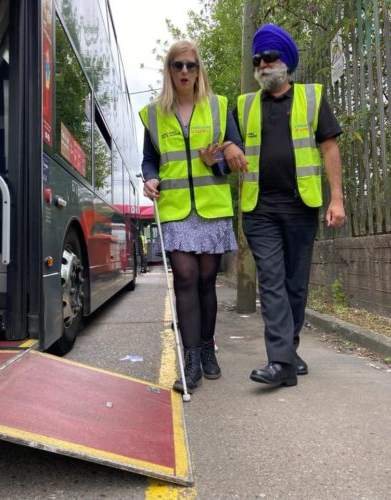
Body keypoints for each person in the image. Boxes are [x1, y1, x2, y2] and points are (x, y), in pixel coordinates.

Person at [236, 24, 345, 388]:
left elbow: (330, 147)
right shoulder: (245, 104)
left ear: (285, 61)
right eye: (258, 59)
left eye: (269, 57)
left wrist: (337, 199)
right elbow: (227, 147)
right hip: (260, 209)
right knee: (271, 283)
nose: (263, 64)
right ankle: (280, 360)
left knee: (295, 285)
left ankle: (290, 350)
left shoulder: (311, 97)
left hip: (301, 208)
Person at [140, 40, 247, 393]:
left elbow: (235, 155)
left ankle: (206, 349)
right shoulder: (154, 113)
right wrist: (150, 177)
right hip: (175, 209)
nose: (185, 71)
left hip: (211, 206)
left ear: (199, 70)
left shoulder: (218, 106)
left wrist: (214, 159)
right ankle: (189, 358)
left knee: (205, 279)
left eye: (191, 65)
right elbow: (149, 159)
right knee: (184, 277)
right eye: (177, 65)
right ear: (168, 71)